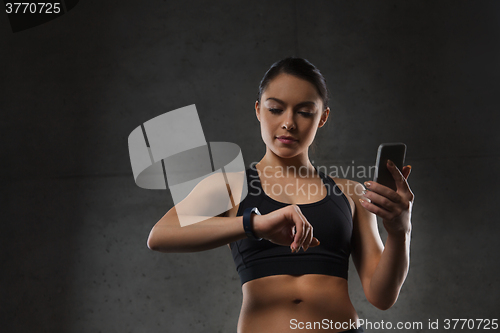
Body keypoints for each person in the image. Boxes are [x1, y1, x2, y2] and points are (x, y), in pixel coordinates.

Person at [147, 57, 415, 333]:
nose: (288, 123)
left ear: (322, 117)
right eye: (275, 109)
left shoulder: (349, 193)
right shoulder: (230, 186)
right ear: (258, 110)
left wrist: (399, 231)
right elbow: (160, 235)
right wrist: (254, 225)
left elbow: (381, 297)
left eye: (304, 112)